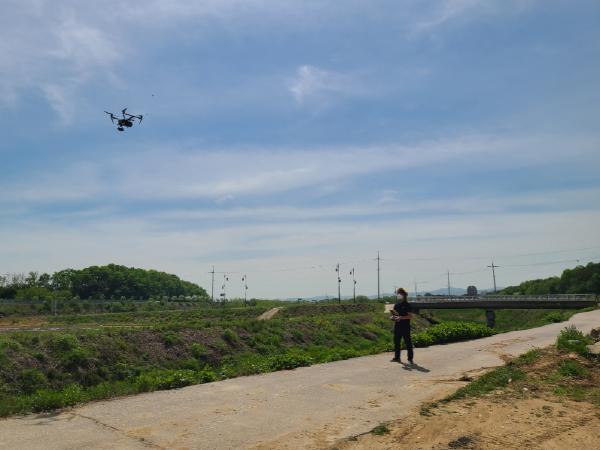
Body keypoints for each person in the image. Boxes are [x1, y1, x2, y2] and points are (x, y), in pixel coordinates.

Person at [390, 287, 414, 364]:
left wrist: (401, 317)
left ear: (403, 295)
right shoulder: (396, 305)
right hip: (397, 326)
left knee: (408, 342)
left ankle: (410, 358)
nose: (398, 295)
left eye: (399, 294)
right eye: (397, 294)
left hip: (405, 326)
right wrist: (393, 317)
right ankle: (397, 357)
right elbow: (396, 315)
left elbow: (410, 316)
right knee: (397, 342)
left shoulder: (407, 305)